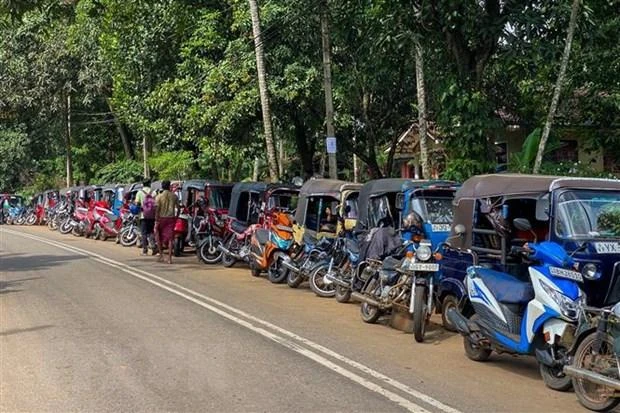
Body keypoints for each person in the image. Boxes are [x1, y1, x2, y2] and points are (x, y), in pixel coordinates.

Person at [155, 180, 179, 264]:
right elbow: (178, 208)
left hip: (161, 218)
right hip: (171, 218)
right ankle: (169, 258)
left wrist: (156, 219)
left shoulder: (159, 196)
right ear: (169, 186)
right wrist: (176, 217)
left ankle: (161, 254)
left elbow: (157, 209)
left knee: (158, 236)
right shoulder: (174, 196)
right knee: (170, 239)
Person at [135, 179, 157, 256]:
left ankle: (145, 250)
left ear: (143, 184)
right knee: (151, 232)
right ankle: (154, 248)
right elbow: (156, 204)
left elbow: (137, 203)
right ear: (150, 184)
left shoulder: (139, 193)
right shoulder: (154, 192)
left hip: (143, 215)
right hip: (152, 216)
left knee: (144, 233)